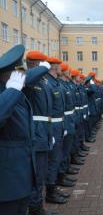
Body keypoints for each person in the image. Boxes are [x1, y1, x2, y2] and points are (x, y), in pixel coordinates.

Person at [23, 51, 60, 215]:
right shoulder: (26, 78)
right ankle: (35, 209)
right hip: (35, 135)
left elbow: (48, 113)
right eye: (43, 63)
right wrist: (44, 68)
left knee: (42, 172)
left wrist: (50, 132)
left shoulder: (43, 82)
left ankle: (38, 206)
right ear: (36, 64)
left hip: (44, 133)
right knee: (36, 174)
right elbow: (28, 78)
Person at [0, 45, 35, 215]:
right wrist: (12, 89)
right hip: (6, 178)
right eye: (20, 71)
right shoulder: (8, 93)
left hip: (22, 174)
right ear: (10, 74)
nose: (23, 75)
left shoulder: (15, 92)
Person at [45, 57, 69, 204]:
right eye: (59, 66)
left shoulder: (56, 83)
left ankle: (55, 185)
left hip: (59, 125)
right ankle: (50, 192)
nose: (61, 68)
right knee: (53, 160)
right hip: (52, 127)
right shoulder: (48, 84)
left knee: (58, 156)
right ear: (55, 67)